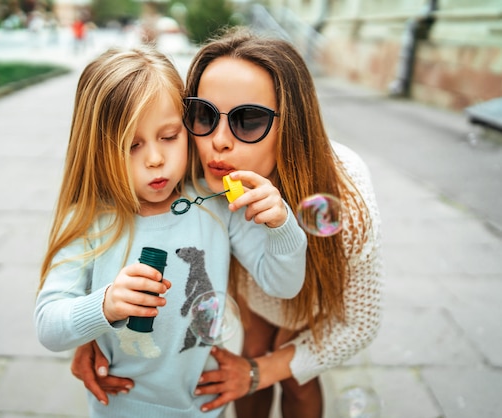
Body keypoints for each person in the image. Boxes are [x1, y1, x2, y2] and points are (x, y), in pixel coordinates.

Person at [71, 27, 383, 418]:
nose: (218, 141)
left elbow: (361, 323)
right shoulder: (186, 160)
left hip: (308, 287)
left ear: (292, 124)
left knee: (292, 378)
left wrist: (260, 372)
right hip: (249, 280)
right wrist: (94, 329)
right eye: (202, 113)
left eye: (248, 119)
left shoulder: (347, 200)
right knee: (250, 351)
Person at [35, 44, 308, 418]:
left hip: (204, 407)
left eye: (169, 136)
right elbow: (49, 325)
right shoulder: (90, 219)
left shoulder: (215, 204)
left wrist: (282, 227)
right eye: (133, 145)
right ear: (98, 148)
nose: (155, 159)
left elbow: (283, 285)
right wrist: (105, 304)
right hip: (122, 407)